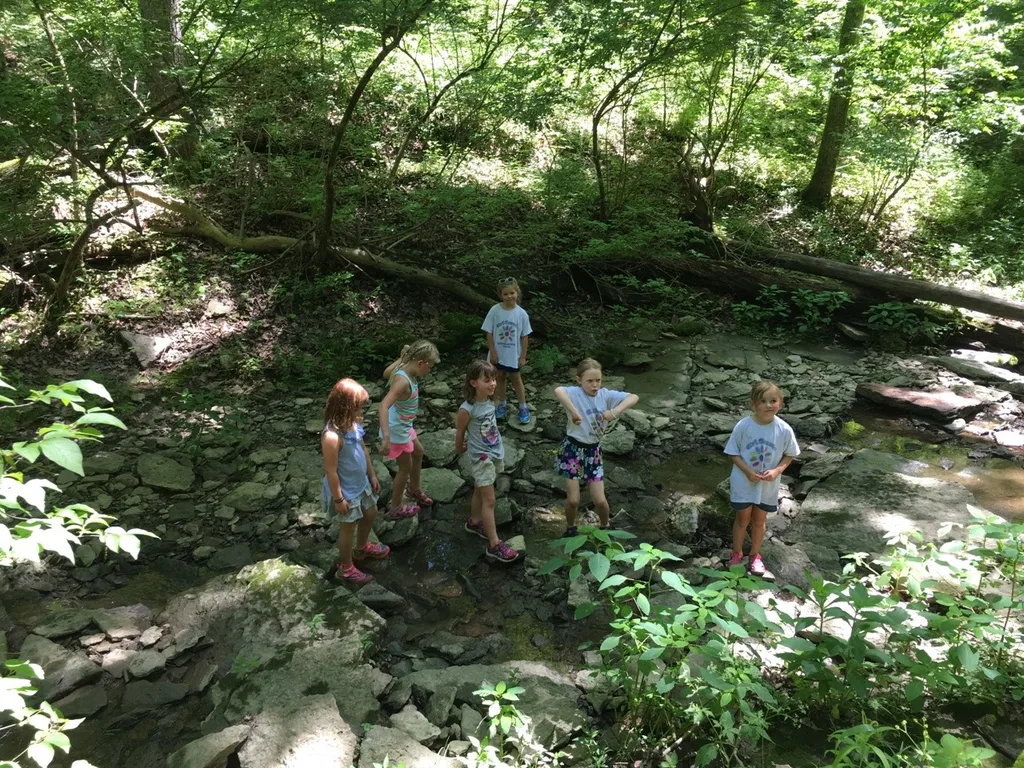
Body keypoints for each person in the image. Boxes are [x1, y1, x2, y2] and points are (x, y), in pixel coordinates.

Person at [553, 358, 638, 537]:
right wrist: (574, 412)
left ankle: (605, 526)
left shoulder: (605, 395)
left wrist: (615, 411)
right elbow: (558, 390)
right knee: (574, 500)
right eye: (589, 381)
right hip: (572, 451)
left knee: (600, 501)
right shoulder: (575, 393)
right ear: (579, 380)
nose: (594, 385)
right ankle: (570, 528)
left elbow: (634, 397)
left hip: (593, 452)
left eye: (597, 380)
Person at [723, 379, 801, 576]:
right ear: (753, 404)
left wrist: (777, 471)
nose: (768, 405)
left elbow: (790, 454)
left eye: (773, 400)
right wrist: (747, 471)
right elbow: (733, 452)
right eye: (763, 401)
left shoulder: (783, 429)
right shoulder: (744, 426)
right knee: (742, 519)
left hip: (768, 485)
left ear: (780, 403)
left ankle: (755, 555)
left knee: (759, 520)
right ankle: (737, 553)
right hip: (744, 481)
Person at [321, 378, 390, 584]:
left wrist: (372, 474)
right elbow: (331, 472)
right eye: (357, 407)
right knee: (348, 527)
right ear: (344, 408)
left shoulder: (353, 425)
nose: (361, 411)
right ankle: (346, 567)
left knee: (371, 511)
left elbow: (363, 450)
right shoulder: (331, 437)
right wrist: (338, 499)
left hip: (361, 483)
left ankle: (362, 548)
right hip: (346, 490)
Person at [455, 360, 520, 563]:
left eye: (493, 379)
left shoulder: (490, 402)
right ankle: (494, 544)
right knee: (490, 500)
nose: (492, 383)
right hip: (481, 458)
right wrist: (459, 447)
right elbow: (460, 431)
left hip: (492, 452)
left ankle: (475, 522)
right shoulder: (467, 409)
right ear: (474, 383)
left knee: (479, 488)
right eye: (487, 380)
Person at [380, 340, 440, 519]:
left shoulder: (404, 367)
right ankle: (396, 506)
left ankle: (414, 489)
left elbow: (385, 374)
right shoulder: (402, 382)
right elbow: (383, 406)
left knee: (418, 452)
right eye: (429, 368)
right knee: (404, 468)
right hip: (396, 431)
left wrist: (401, 359)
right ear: (420, 363)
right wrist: (386, 437)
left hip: (404, 425)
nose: (429, 371)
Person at [481, 277, 533, 424]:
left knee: (516, 379)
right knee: (499, 378)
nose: (509, 296)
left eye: (512, 293)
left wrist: (523, 356)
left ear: (517, 293)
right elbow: (489, 332)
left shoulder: (521, 314)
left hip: (513, 355)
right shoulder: (495, 310)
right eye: (506, 294)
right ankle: (502, 404)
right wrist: (493, 352)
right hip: (498, 354)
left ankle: (523, 406)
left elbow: (524, 336)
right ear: (500, 295)